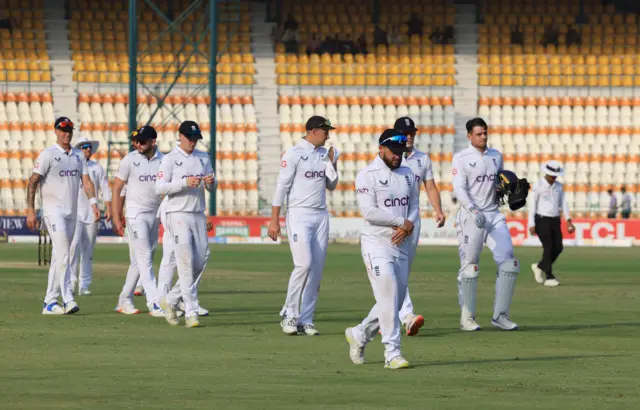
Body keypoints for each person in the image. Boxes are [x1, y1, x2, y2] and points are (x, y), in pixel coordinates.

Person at [345, 129, 418, 369]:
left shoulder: (408, 173)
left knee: (393, 301)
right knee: (388, 292)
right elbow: (369, 212)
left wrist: (409, 225)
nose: (398, 155)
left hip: (402, 243)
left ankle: (360, 334)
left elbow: (414, 205)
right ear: (381, 149)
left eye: (401, 151)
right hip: (376, 243)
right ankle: (392, 353)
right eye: (394, 151)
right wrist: (401, 223)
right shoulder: (367, 175)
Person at [268, 115, 339, 336]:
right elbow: (281, 187)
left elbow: (332, 185)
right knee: (304, 265)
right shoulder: (294, 154)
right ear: (313, 131)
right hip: (298, 215)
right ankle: (289, 313)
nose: (328, 134)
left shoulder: (323, 154)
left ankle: (306, 319)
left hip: (320, 216)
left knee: (316, 271)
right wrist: (274, 219)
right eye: (325, 130)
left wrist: (333, 163)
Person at [452, 117, 521, 332]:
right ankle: (467, 317)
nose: (483, 137)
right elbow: (459, 189)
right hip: (471, 216)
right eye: (479, 134)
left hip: (493, 214)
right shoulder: (461, 158)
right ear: (470, 136)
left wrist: (510, 190)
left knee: (509, 262)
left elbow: (499, 182)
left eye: (485, 133)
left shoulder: (496, 156)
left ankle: (500, 315)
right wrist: (473, 209)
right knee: (470, 267)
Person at [26, 117, 100, 315]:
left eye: (69, 130)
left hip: (71, 212)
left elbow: (86, 181)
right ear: (56, 131)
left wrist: (94, 203)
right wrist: (31, 210)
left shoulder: (78, 155)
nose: (66, 133)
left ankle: (49, 302)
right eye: (63, 129)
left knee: (60, 255)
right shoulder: (48, 155)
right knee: (65, 252)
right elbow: (33, 182)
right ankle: (68, 297)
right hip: (53, 211)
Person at [156, 120, 216, 328]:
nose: (193, 142)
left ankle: (170, 299)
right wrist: (184, 183)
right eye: (189, 138)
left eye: (195, 139)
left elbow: (212, 187)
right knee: (185, 260)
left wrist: (210, 183)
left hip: (197, 212)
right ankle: (190, 311)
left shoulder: (202, 157)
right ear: (180, 136)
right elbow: (159, 187)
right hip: (177, 212)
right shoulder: (170, 159)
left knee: (201, 260)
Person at [392, 117, 445, 336]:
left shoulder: (422, 159)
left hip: (413, 220)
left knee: (402, 271)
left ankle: (383, 317)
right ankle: (407, 316)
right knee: (394, 270)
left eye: (412, 132)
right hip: (392, 220)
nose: (410, 136)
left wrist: (438, 210)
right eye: (405, 133)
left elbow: (430, 187)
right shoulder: (390, 157)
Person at [111, 126, 164, 317]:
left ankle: (124, 299)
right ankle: (155, 302)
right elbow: (116, 188)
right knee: (144, 258)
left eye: (142, 141)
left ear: (153, 142)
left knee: (139, 261)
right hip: (135, 215)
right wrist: (117, 216)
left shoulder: (164, 161)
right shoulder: (130, 160)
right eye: (135, 141)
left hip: (154, 214)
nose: (137, 144)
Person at [69, 136, 112, 296]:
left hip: (91, 214)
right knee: (73, 249)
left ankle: (84, 285)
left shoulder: (97, 168)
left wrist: (108, 207)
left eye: (89, 147)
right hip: (74, 214)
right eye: (84, 146)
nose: (87, 149)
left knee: (88, 251)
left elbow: (105, 188)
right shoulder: (72, 166)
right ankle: (72, 282)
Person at [157, 195, 212, 317]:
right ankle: (166, 301)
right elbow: (162, 189)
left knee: (199, 257)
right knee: (173, 257)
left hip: (189, 209)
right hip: (174, 209)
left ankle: (178, 300)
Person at [528, 161, 575, 287]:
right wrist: (531, 223)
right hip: (541, 219)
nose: (553, 178)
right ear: (546, 173)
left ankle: (539, 266)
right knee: (548, 247)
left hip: (555, 220)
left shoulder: (558, 186)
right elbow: (532, 206)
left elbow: (563, 204)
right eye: (551, 175)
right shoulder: (538, 186)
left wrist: (569, 220)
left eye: (555, 175)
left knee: (558, 247)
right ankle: (549, 277)